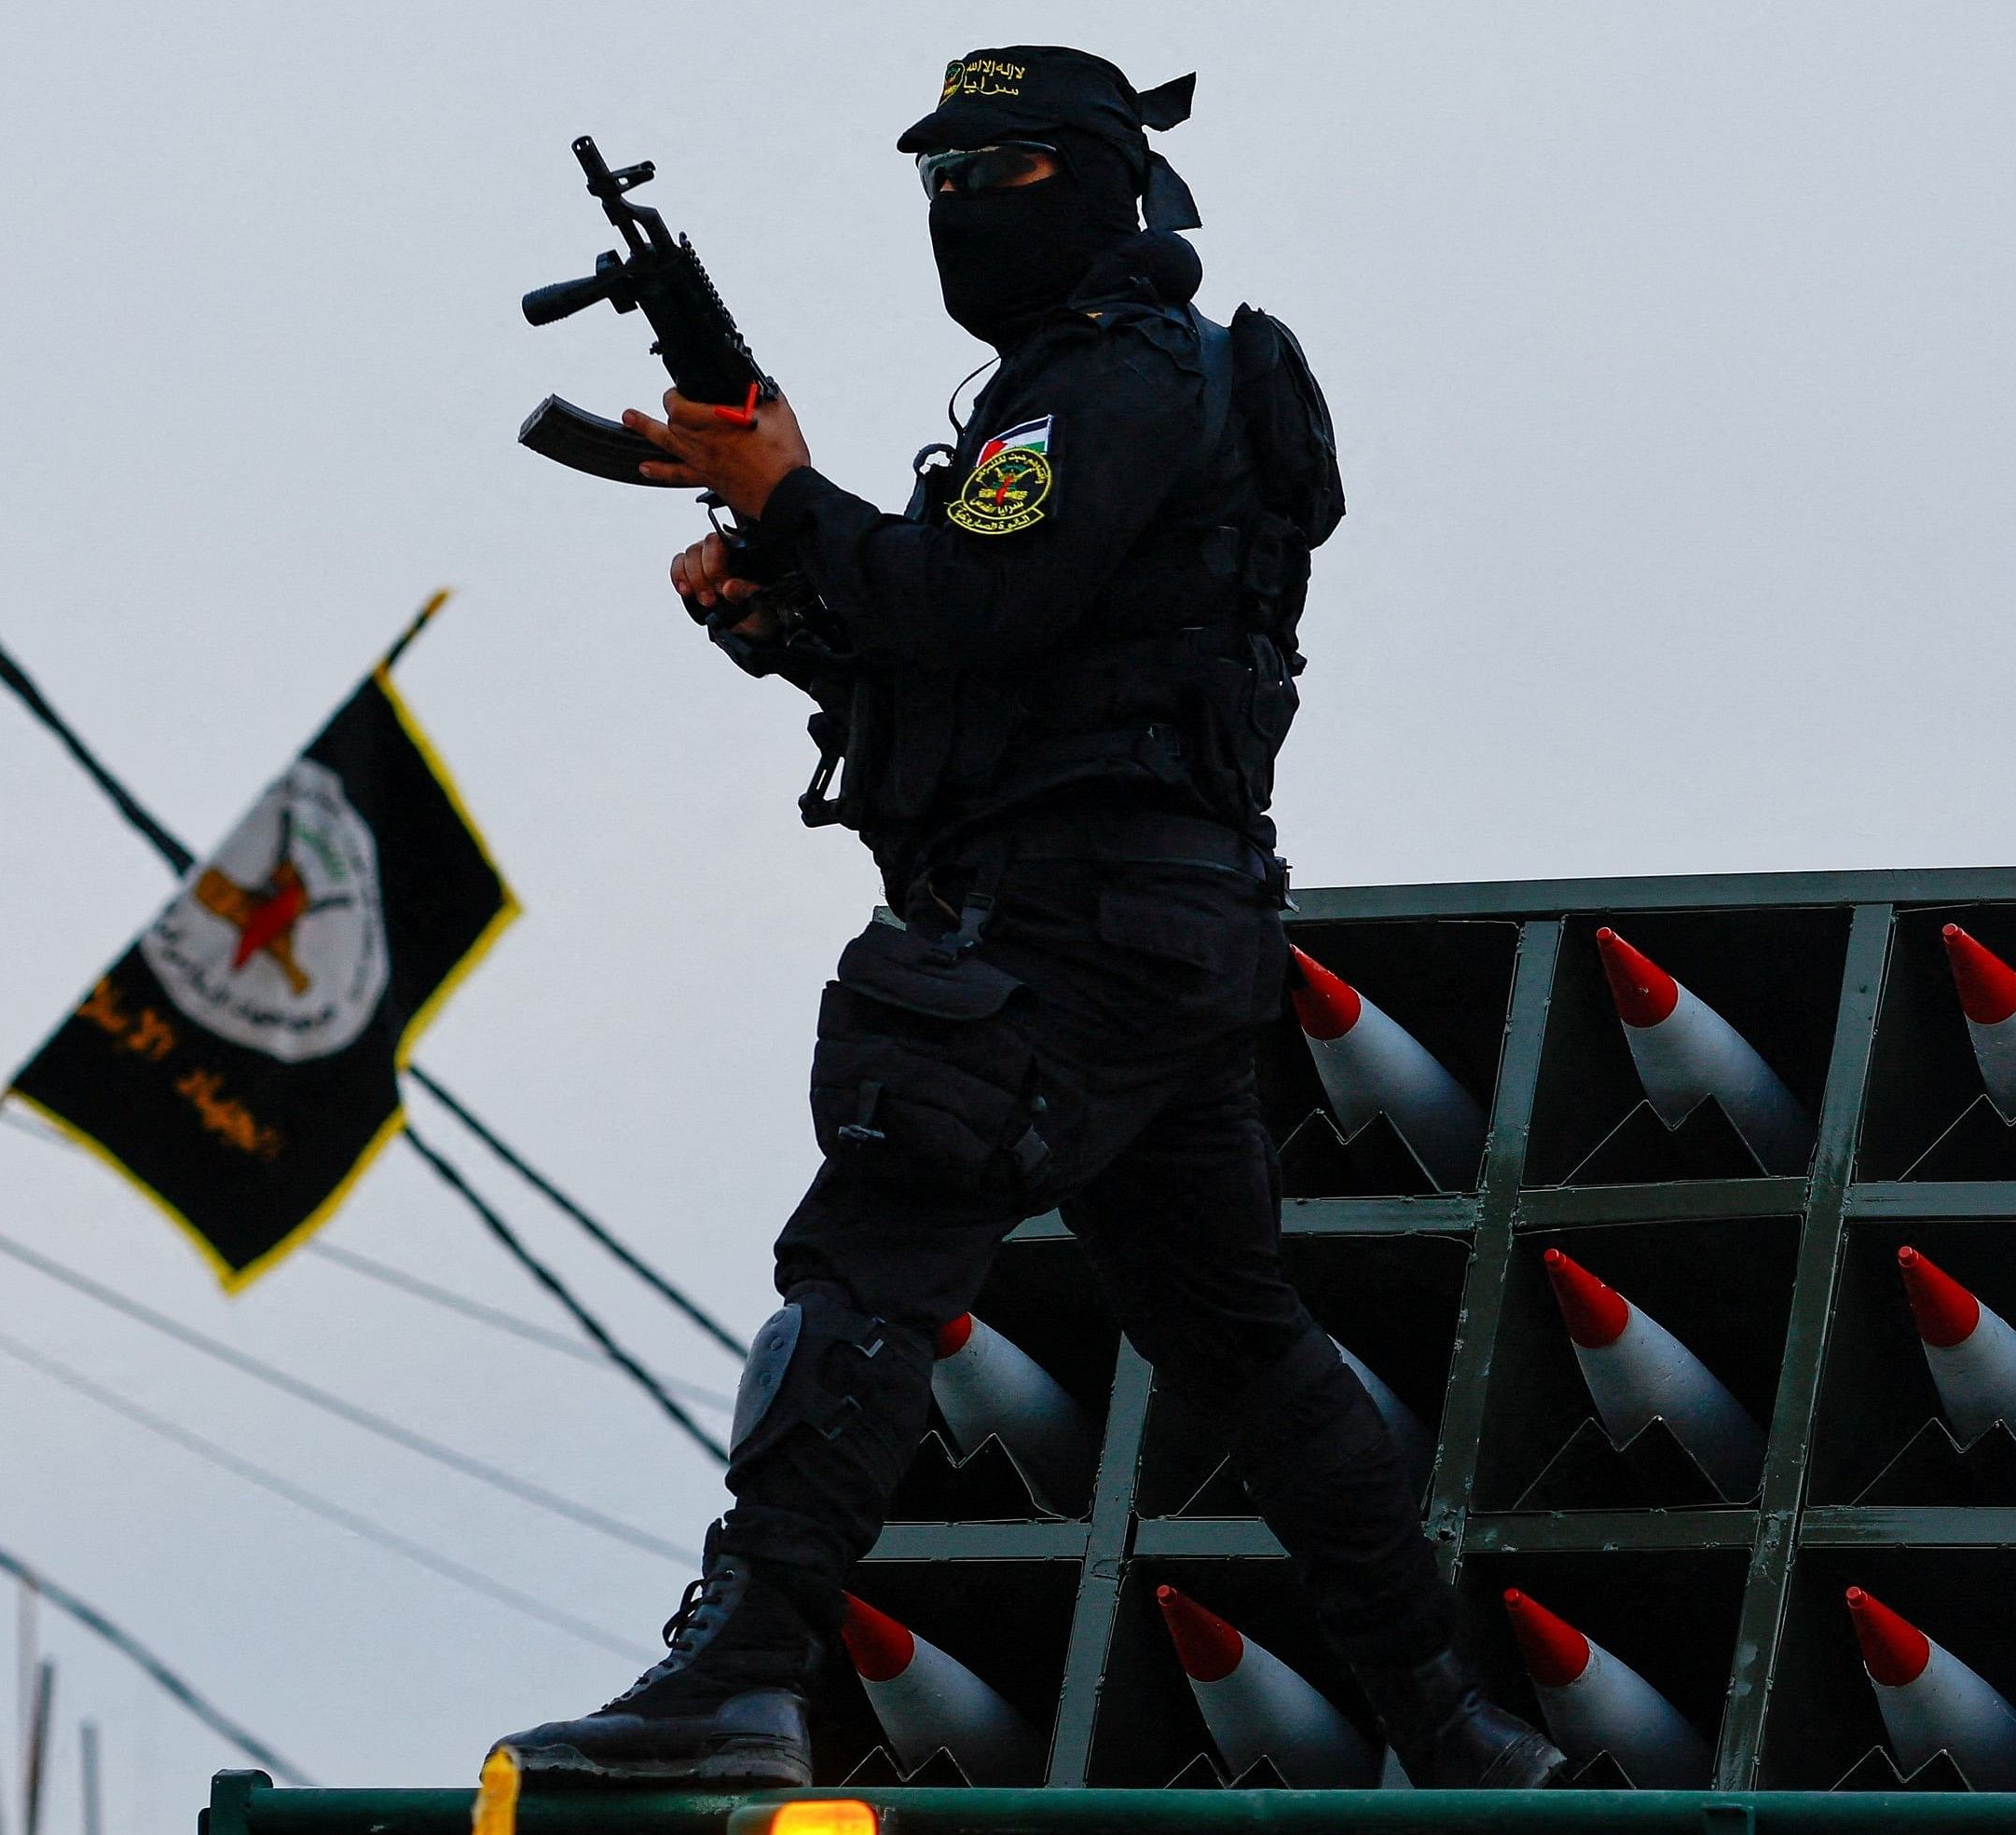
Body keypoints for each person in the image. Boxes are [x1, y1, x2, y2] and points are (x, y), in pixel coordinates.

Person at [492, 47, 1564, 1792]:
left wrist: (788, 495)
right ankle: (1450, 1724)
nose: (952, 215)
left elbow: (975, 602)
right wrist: (782, 608)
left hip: (1075, 929)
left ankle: (745, 1665)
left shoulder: (1113, 389)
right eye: (934, 182)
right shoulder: (1085, 400)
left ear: (1087, 182)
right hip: (1157, 928)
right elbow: (951, 672)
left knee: (868, 1255)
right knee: (1238, 1335)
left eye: (987, 179)